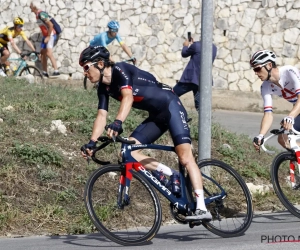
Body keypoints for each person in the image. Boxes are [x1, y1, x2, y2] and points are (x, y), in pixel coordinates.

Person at [79, 45, 212, 221]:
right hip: (156, 116)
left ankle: (202, 208)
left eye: (87, 67)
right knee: (129, 152)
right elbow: (102, 115)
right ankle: (173, 175)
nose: (85, 73)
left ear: (101, 64)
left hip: (171, 107)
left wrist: (118, 122)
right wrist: (92, 142)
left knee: (185, 157)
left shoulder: (120, 70)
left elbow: (128, 96)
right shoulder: (104, 88)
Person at [251, 49, 300, 150]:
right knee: (283, 138)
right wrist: (261, 135)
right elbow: (268, 114)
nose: (256, 73)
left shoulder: (289, 71)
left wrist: (290, 116)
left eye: (258, 69)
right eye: (254, 70)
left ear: (269, 65)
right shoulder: (265, 87)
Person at [173, 35, 217, 111]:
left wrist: (185, 46)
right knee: (200, 106)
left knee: (172, 94)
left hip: (191, 78)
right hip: (203, 80)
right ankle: (203, 122)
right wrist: (193, 44)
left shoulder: (196, 45)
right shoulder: (214, 48)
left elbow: (184, 54)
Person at [30, 1, 60, 77]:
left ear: (34, 7)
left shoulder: (41, 14)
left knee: (49, 53)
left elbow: (51, 25)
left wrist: (49, 36)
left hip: (50, 35)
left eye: (31, 5)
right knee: (42, 53)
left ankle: (56, 71)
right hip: (45, 36)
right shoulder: (37, 15)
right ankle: (44, 72)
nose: (29, 6)